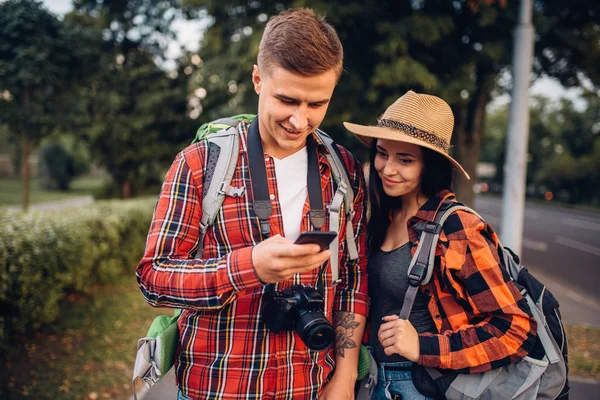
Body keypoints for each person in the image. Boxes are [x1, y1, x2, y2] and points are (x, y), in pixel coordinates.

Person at [136, 8, 369, 400]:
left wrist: (344, 375)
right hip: (216, 388)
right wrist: (248, 268)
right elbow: (154, 278)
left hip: (310, 386)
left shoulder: (342, 169)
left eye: (317, 104)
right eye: (287, 99)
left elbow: (353, 277)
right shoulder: (199, 164)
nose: (300, 120)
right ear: (258, 79)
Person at [344, 91, 537, 400]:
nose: (387, 169)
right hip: (373, 380)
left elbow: (514, 330)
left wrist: (424, 346)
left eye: (405, 160)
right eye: (382, 153)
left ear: (430, 166)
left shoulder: (458, 228)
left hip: (423, 387)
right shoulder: (382, 216)